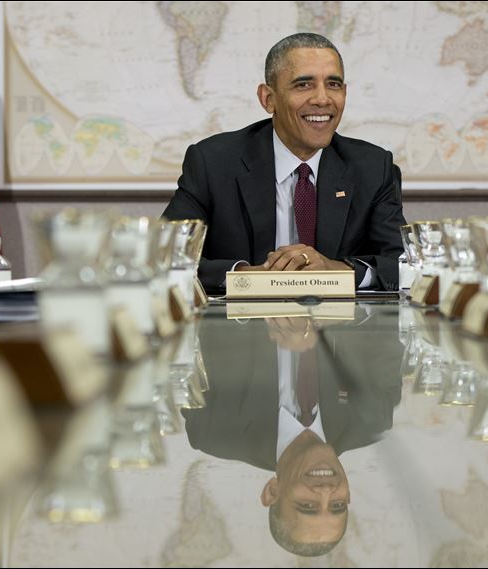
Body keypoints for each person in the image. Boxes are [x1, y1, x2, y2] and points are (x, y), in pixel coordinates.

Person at [163, 33, 406, 291]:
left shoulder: (373, 167)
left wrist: (334, 269)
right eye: (304, 85)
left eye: (333, 84)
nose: (323, 99)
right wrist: (248, 277)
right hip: (241, 326)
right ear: (268, 99)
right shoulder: (212, 163)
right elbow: (166, 256)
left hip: (340, 327)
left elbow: (403, 265)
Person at [182, 311, 403, 556]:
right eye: (338, 504)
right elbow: (385, 309)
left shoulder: (214, 429)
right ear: (349, 495)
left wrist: (246, 282)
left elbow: (185, 319)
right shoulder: (373, 415)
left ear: (272, 492)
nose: (326, 491)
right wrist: (337, 310)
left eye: (307, 505)